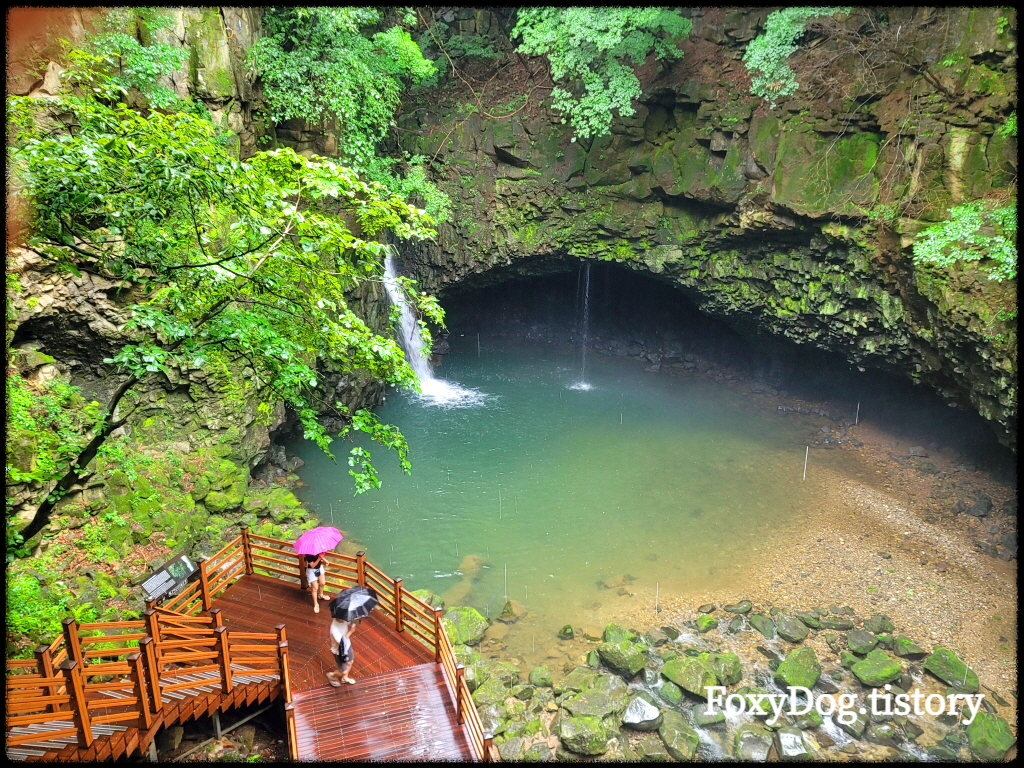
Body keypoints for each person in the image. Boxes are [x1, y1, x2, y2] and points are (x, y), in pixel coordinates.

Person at [327, 616, 359, 686]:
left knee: (350, 661)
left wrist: (355, 621)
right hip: (339, 651)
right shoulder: (334, 630)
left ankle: (344, 678)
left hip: (347, 646)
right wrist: (351, 632)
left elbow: (351, 621)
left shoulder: (343, 618)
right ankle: (331, 675)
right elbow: (342, 643)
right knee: (343, 671)